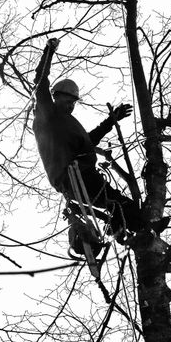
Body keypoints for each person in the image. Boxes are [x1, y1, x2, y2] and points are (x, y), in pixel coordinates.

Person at [32, 38, 141, 238]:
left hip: (85, 173)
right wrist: (49, 51)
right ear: (56, 96)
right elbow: (40, 79)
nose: (71, 105)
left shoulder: (71, 125)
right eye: (68, 100)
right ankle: (127, 224)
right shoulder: (48, 114)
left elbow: (90, 142)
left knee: (119, 203)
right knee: (117, 203)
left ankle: (144, 228)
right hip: (71, 175)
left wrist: (111, 120)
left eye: (74, 102)